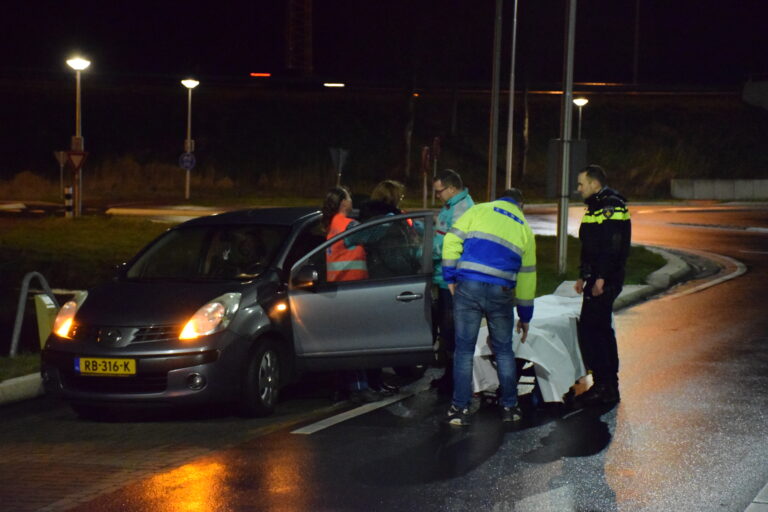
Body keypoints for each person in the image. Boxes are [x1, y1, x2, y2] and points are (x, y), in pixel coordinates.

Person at [441, 188, 536, 425]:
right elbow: (527, 278)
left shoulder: (478, 210)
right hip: (501, 291)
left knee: (463, 350)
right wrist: (525, 316)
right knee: (504, 350)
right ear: (520, 205)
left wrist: (450, 276)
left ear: (499, 199)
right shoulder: (524, 228)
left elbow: (451, 239)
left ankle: (458, 410)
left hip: (469, 286)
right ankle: (509, 407)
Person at [573, 164, 631, 406]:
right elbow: (590, 246)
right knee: (596, 330)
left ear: (594, 184)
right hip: (598, 276)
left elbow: (612, 245)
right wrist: (583, 275)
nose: (578, 189)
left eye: (581, 184)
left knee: (595, 331)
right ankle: (606, 385)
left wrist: (601, 278)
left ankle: (605, 385)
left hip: (605, 279)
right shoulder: (597, 205)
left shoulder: (610, 206)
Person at [321, 186, 381, 403]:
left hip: (336, 288)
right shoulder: (348, 225)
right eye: (349, 197)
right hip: (352, 288)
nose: (351, 199)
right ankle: (359, 387)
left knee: (342, 343)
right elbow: (374, 236)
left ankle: (342, 388)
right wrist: (391, 223)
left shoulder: (332, 225)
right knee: (356, 343)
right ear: (343, 203)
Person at [430, 169, 474, 394]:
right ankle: (450, 376)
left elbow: (452, 244)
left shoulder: (462, 210)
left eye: (440, 192)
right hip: (444, 277)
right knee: (447, 332)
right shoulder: (451, 206)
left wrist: (427, 250)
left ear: (452, 188)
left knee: (453, 331)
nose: (438, 196)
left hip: (453, 280)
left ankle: (456, 382)